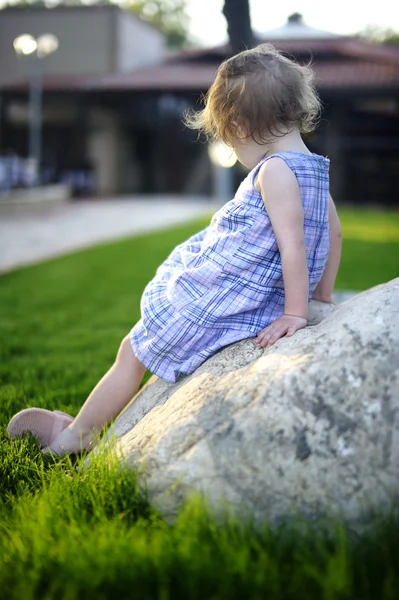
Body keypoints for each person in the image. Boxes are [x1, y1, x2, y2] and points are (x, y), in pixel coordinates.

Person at [7, 43, 342, 456]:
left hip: (231, 299)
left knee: (133, 349)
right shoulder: (317, 173)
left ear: (237, 127)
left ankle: (76, 435)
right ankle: (92, 423)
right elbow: (333, 235)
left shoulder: (273, 171)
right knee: (153, 358)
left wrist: (296, 312)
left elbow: (293, 247)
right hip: (260, 295)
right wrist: (321, 294)